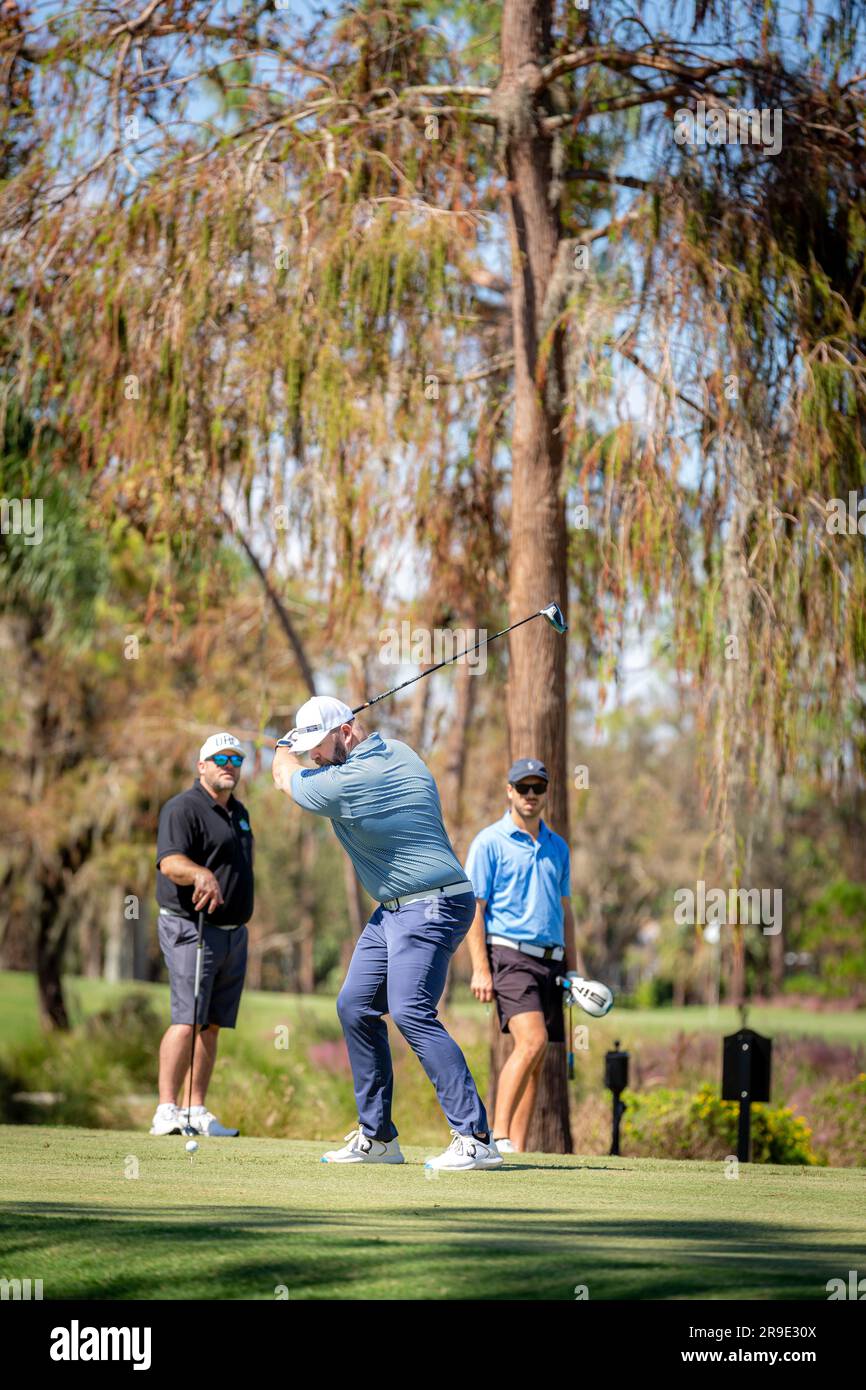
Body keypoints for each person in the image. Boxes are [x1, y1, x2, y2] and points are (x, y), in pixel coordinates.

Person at [272, 695, 501, 1170]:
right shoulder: (399, 752)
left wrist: (283, 744)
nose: (314, 754)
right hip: (394, 910)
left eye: (320, 743)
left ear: (348, 731)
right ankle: (377, 1138)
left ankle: (475, 1137)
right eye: (309, 746)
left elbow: (283, 776)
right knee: (355, 1004)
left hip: (433, 902)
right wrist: (310, 742)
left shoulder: (353, 778)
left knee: (410, 1010)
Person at [464, 758, 585, 1153]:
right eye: (523, 788)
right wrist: (481, 968)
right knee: (530, 1041)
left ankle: (516, 1146)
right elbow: (474, 910)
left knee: (536, 1060)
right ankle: (494, 1138)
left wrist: (575, 972)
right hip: (509, 955)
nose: (531, 796)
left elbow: (566, 911)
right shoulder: (489, 842)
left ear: (546, 793)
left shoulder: (558, 847)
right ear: (509, 791)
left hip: (552, 961)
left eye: (538, 788)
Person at [150, 732, 253, 1138]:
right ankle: (166, 1109)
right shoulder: (183, 808)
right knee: (187, 1019)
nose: (229, 765)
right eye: (220, 758)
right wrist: (200, 873)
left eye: (236, 759)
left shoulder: (239, 812)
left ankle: (195, 1110)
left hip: (232, 933)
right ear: (202, 766)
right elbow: (169, 862)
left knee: (210, 1023)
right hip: (192, 929)